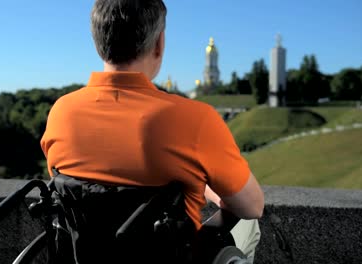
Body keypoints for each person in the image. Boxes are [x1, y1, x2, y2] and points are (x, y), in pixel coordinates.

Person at [40, 0, 264, 262]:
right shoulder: (195, 118)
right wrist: (201, 181)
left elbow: (78, 186)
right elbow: (252, 206)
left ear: (97, 42)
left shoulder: (61, 113)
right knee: (250, 224)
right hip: (172, 254)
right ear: (159, 44)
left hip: (87, 255)